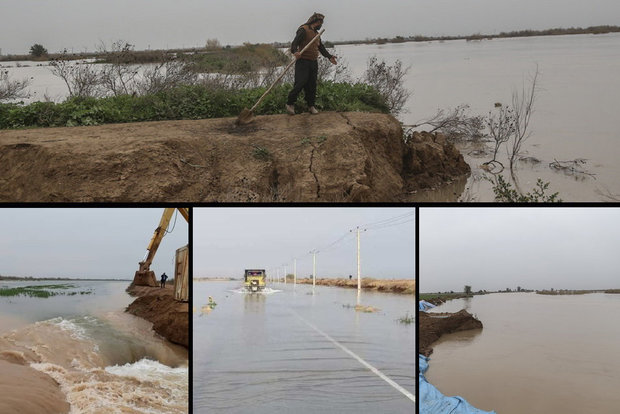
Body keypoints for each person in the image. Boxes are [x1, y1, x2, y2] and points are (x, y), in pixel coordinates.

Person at [286, 12, 337, 115]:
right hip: (302, 61)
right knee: (300, 83)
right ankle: (290, 103)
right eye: (321, 23)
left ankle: (311, 106)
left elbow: (321, 47)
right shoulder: (303, 30)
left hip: (313, 62)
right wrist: (295, 52)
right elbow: (294, 43)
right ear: (317, 22)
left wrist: (329, 57)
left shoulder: (316, 34)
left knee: (312, 85)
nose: (321, 25)